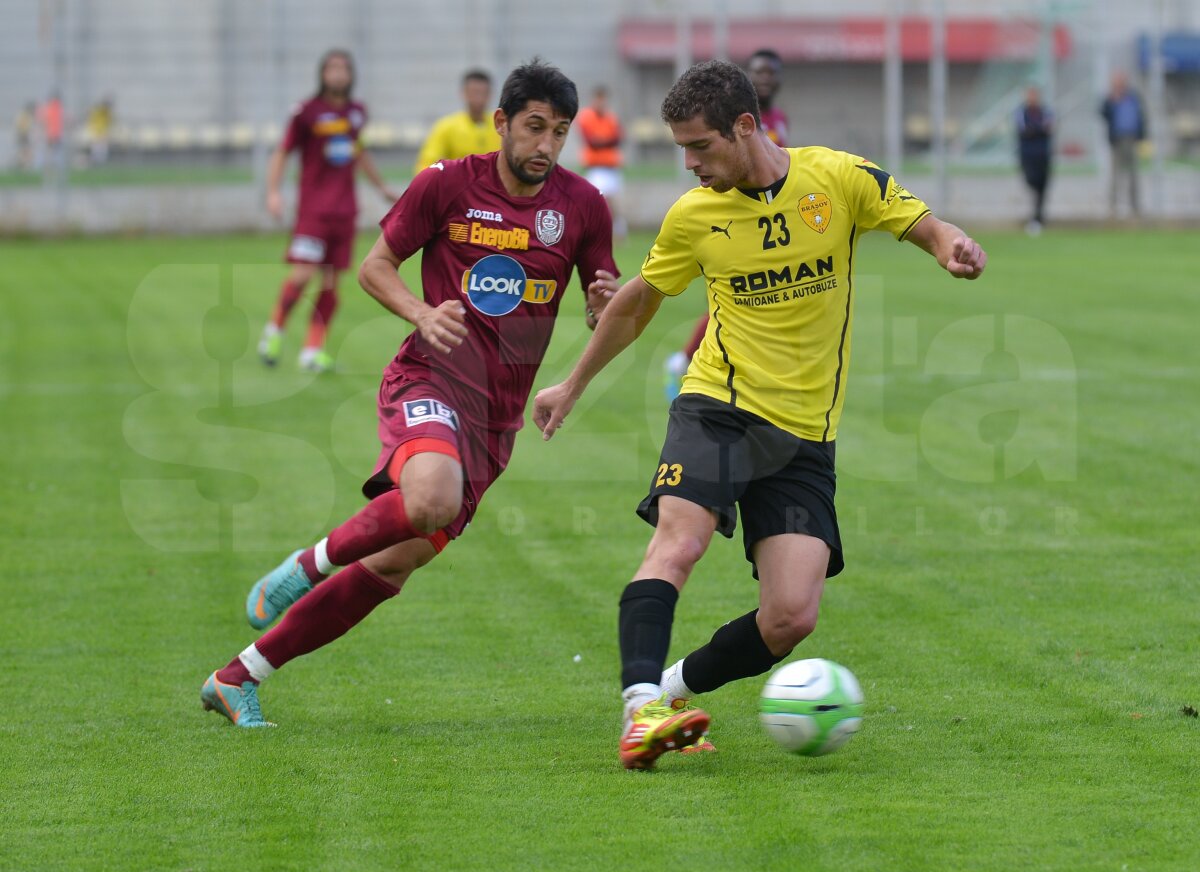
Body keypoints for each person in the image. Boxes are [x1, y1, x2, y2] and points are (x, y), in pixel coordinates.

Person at [533, 60, 987, 770]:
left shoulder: (837, 179)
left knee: (789, 616)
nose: (690, 165)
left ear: (746, 127)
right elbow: (637, 303)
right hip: (720, 407)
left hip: (806, 434)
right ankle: (637, 709)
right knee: (678, 544)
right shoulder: (694, 216)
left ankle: (670, 694)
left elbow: (921, 222)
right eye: (681, 149)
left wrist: (950, 247)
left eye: (700, 147)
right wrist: (572, 382)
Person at [201, 60, 618, 728]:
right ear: (502, 124)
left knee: (395, 563)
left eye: (560, 133)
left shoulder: (582, 205)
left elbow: (607, 304)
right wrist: (422, 314)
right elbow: (374, 268)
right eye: (535, 127)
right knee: (429, 498)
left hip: (496, 420)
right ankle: (308, 563)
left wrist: (603, 305)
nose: (546, 145)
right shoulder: (446, 185)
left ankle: (238, 675)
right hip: (429, 376)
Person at [258, 49, 398, 373]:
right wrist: (274, 192)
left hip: (344, 211)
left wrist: (380, 186)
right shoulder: (306, 112)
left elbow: (358, 150)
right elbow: (282, 152)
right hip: (313, 211)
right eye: (332, 68)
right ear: (322, 73)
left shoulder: (356, 112)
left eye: (343, 68)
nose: (338, 74)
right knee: (304, 274)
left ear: (351, 75)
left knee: (331, 283)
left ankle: (312, 350)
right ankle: (274, 330)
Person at [664, 48, 791, 399]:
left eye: (771, 72)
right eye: (759, 72)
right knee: (734, 297)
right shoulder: (728, 115)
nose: (766, 78)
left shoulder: (778, 118)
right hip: (735, 217)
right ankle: (687, 360)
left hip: (769, 218)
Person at [414, 69, 501, 173]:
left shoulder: (501, 126)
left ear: (490, 94)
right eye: (474, 92)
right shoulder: (446, 126)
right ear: (463, 93)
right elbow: (426, 164)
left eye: (483, 93)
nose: (478, 98)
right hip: (459, 186)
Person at [576, 85, 626, 240]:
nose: (601, 103)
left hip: (611, 165)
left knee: (613, 203)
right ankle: (600, 232)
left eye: (603, 99)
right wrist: (606, 141)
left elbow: (618, 139)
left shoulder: (611, 118)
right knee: (601, 200)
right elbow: (591, 141)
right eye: (598, 99)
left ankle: (618, 232)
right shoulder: (586, 117)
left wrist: (602, 141)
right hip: (596, 167)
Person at [1099, 71, 1146, 219]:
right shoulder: (1111, 99)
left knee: (1133, 174)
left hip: (1131, 139)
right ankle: (1113, 206)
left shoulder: (1133, 97)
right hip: (1117, 139)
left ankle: (1135, 206)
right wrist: (1112, 101)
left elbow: (1141, 116)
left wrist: (1142, 134)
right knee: (1115, 174)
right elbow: (1102, 113)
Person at [1016, 85, 1053, 234]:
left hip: (1043, 155)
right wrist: (1038, 129)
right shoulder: (1021, 113)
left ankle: (1038, 218)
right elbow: (1025, 131)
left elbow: (1048, 129)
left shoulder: (1045, 112)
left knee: (1042, 188)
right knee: (1031, 182)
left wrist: (1035, 130)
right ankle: (1034, 217)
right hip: (1028, 155)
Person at [85, 96, 114, 166]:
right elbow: (91, 120)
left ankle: (100, 162)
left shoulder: (107, 112)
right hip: (96, 132)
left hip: (103, 132)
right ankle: (95, 162)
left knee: (103, 149)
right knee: (97, 149)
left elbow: (110, 122)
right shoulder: (98, 111)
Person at [14, 102, 35, 171]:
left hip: (23, 135)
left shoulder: (23, 115)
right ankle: (23, 166)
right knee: (25, 152)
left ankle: (23, 166)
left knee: (25, 152)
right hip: (23, 135)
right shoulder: (24, 115)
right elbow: (21, 126)